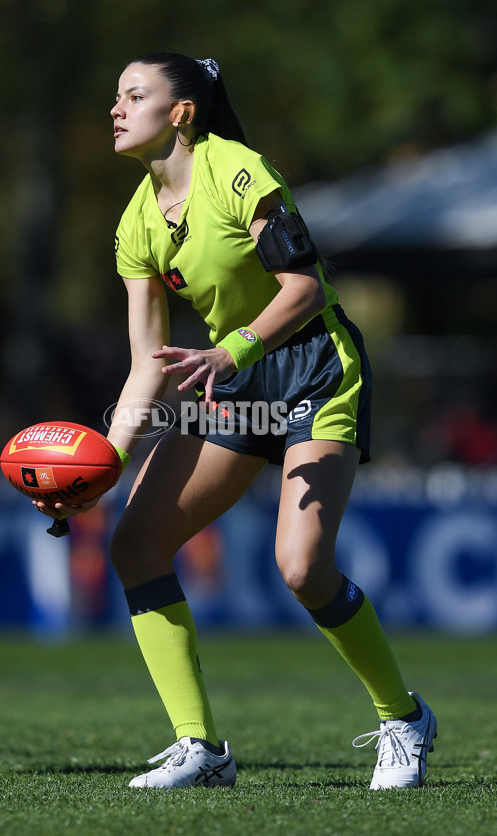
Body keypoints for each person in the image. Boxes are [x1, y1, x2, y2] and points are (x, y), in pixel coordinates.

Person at [35, 51, 437, 789]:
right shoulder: (135, 225)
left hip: (314, 368)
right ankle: (202, 749)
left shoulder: (239, 170)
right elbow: (146, 364)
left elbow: (306, 289)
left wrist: (233, 348)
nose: (116, 109)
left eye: (135, 95)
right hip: (235, 377)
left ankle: (402, 717)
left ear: (182, 111)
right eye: (115, 97)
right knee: (136, 545)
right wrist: (104, 466)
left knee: (301, 567)